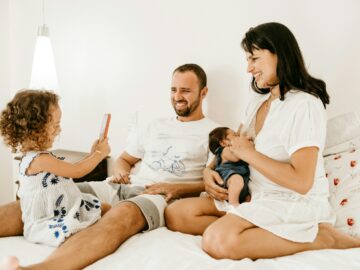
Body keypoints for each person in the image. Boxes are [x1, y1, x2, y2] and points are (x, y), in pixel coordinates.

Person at [165, 22, 360, 259]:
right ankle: (253, 227)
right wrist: (209, 171)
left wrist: (249, 154)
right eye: (248, 60)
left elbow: (302, 181)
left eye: (255, 58)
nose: (249, 68)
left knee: (217, 241)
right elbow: (235, 145)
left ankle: (323, 237)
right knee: (176, 214)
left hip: (291, 201)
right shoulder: (258, 102)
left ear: (280, 55)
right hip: (254, 194)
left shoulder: (305, 105)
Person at [0, 63, 220, 269]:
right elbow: (124, 160)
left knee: (121, 215)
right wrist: (121, 173)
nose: (177, 97)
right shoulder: (155, 126)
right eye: (173, 89)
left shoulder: (215, 132)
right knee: (52, 194)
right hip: (123, 186)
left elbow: (213, 183)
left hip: (160, 196)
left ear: (204, 93)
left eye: (185, 91)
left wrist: (177, 189)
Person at [0, 90, 111, 248]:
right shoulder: (40, 160)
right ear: (35, 129)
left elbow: (72, 168)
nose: (59, 130)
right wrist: (99, 155)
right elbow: (78, 171)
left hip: (65, 205)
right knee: (82, 224)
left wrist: (92, 154)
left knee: (105, 208)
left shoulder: (39, 157)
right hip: (51, 215)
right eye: (56, 125)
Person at [207, 127, 250, 206]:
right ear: (224, 143)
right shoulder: (225, 151)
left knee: (248, 196)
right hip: (227, 177)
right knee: (237, 179)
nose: (238, 136)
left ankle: (244, 204)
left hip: (240, 180)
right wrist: (245, 141)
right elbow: (236, 156)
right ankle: (233, 203)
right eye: (235, 135)